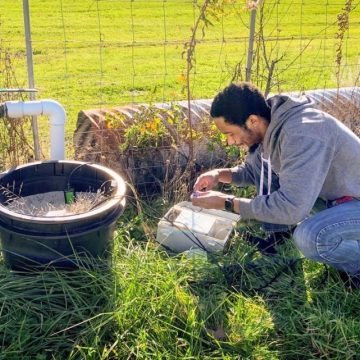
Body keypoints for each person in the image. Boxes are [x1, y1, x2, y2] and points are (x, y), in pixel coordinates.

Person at [191, 82, 360, 285]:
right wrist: (218, 175)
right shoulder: (271, 127)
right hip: (340, 198)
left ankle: (356, 269)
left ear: (252, 120)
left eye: (230, 133)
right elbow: (254, 172)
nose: (230, 142)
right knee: (281, 187)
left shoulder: (301, 134)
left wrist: (227, 203)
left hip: (354, 199)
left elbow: (291, 208)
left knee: (310, 237)